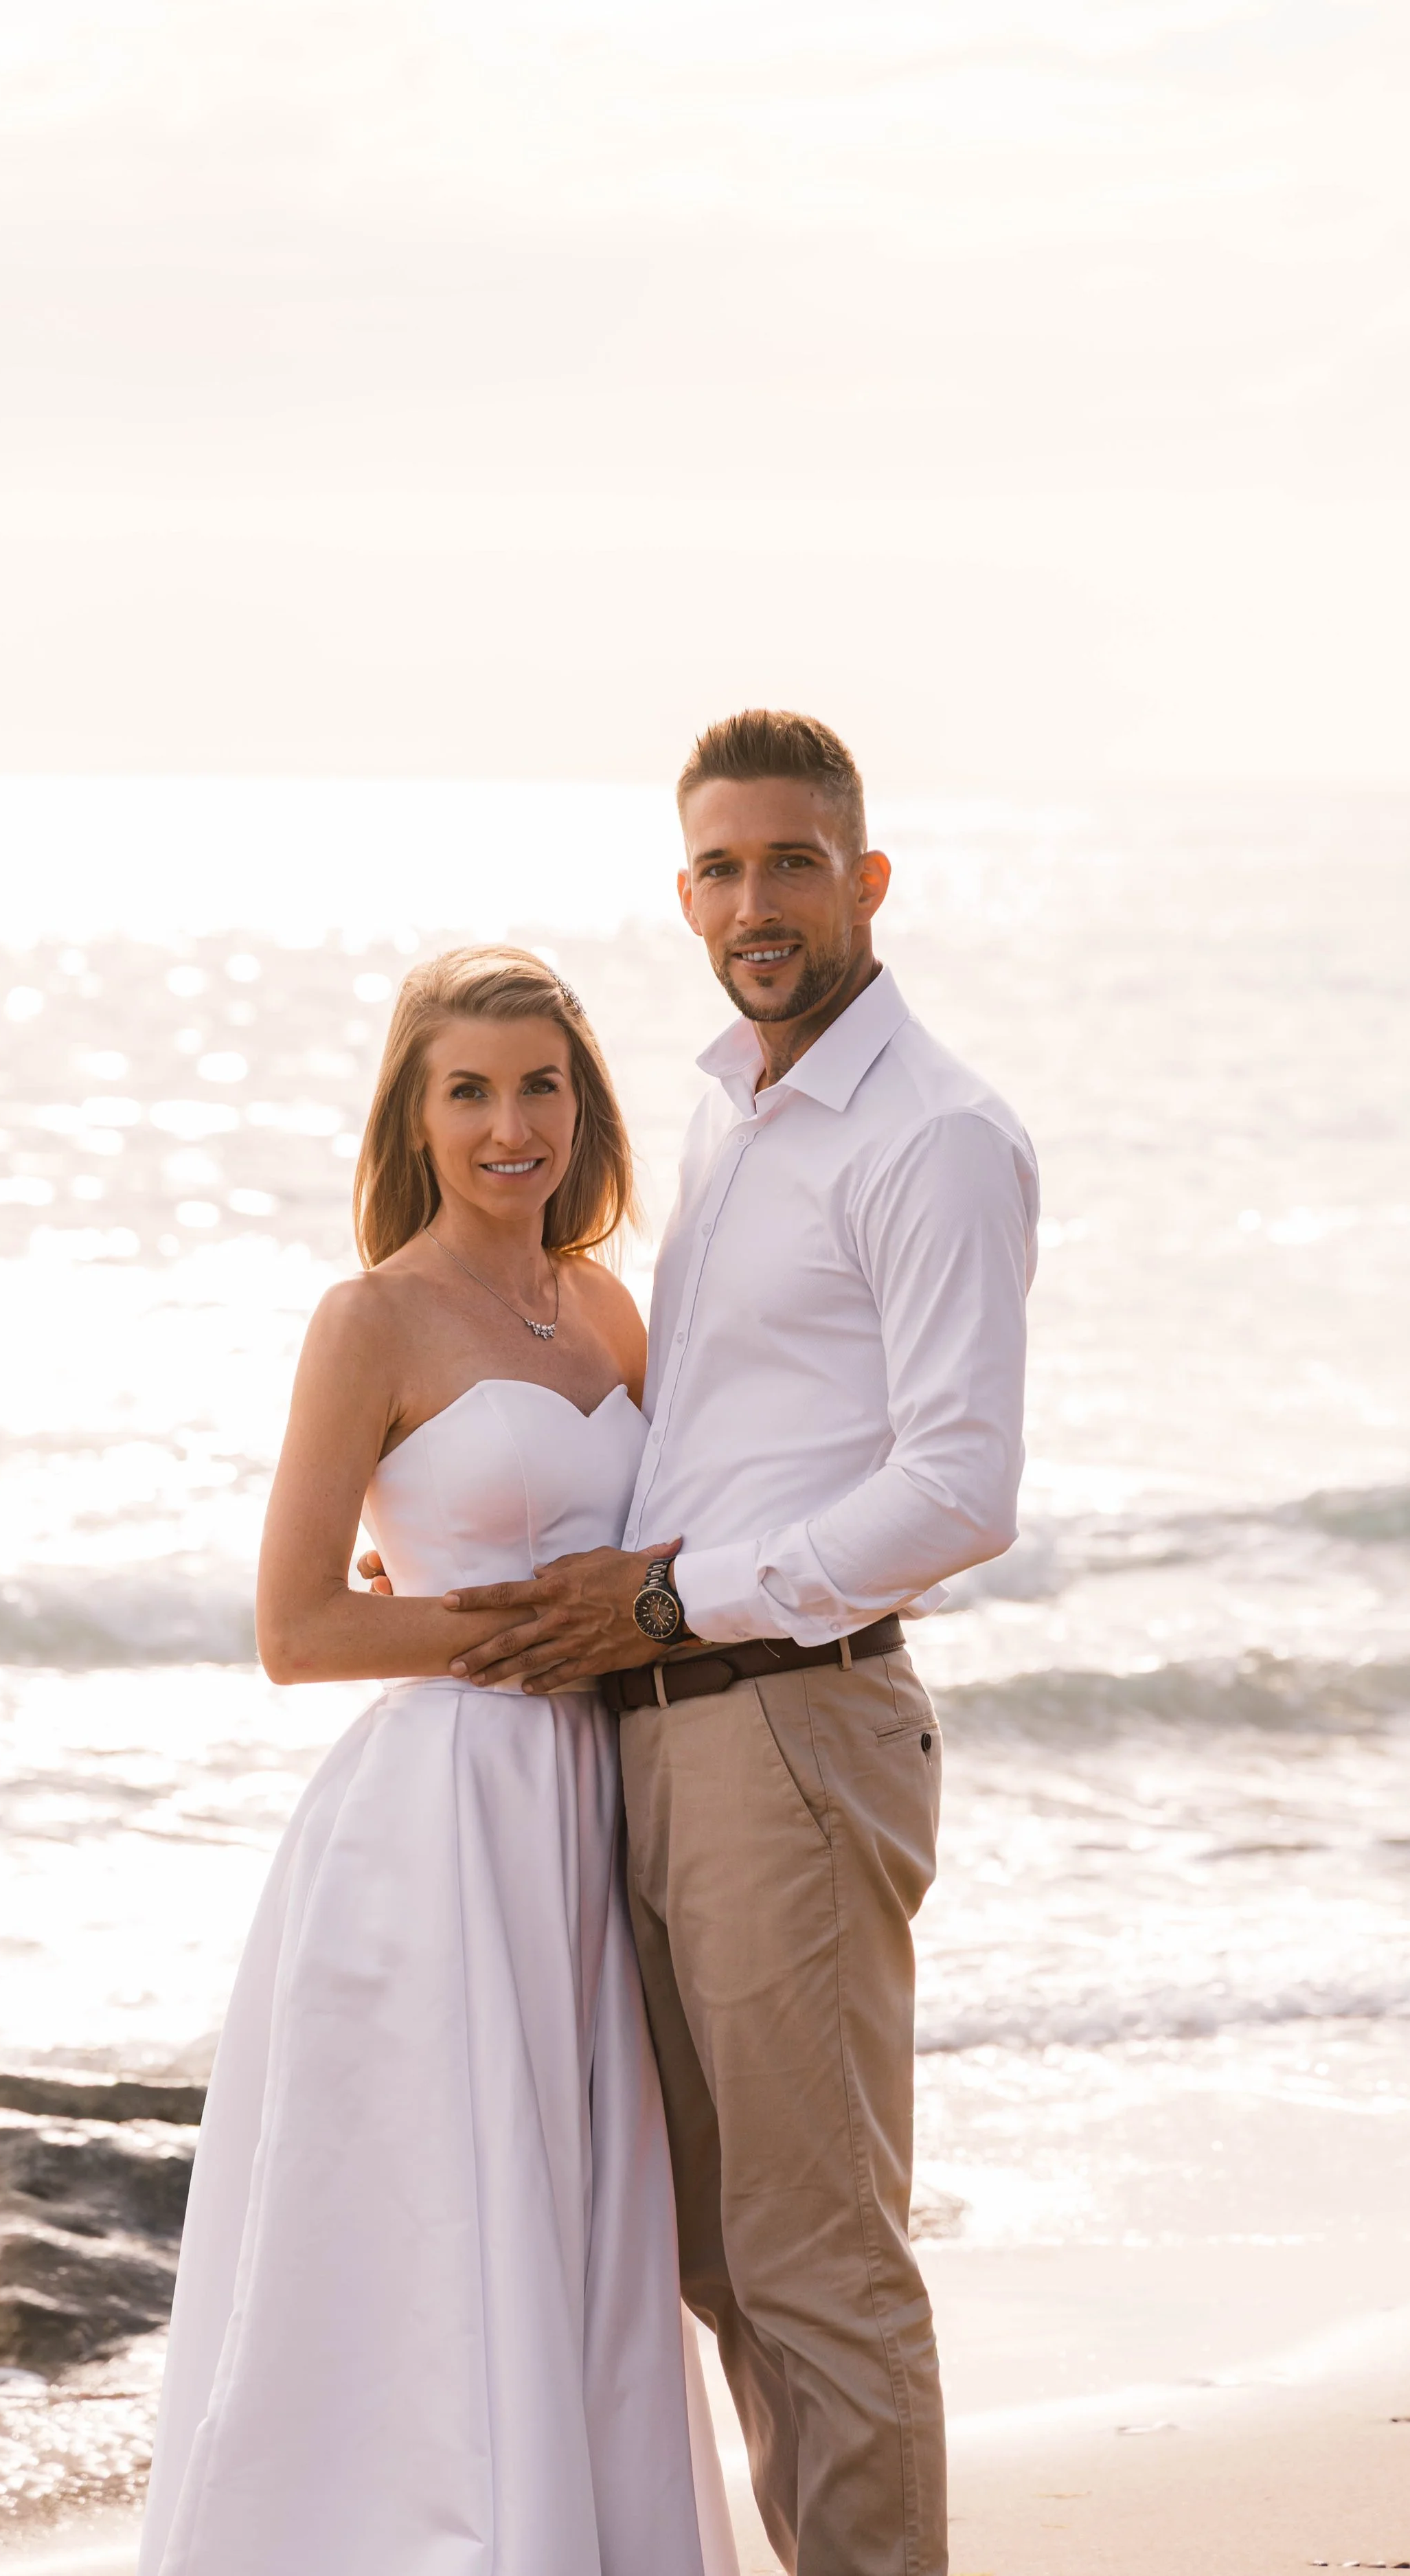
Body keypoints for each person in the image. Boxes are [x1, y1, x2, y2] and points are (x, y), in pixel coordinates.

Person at [440, 711, 1040, 2576]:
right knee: (712, 2251)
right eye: (720, 867)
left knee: (815, 2259)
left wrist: (665, 1597)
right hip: (665, 1729)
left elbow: (959, 1487)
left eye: (791, 862)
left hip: (788, 1723)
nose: (754, 900)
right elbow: (716, 1434)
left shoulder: (933, 1138)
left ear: (866, 880)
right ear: (684, 894)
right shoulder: (729, 1108)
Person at [137, 946, 737, 2576]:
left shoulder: (608, 1308)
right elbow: (296, 1628)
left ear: (582, 1106)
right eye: (466, 1091)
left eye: (539, 1086)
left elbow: (668, 1553)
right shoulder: (370, 1319)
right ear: (413, 1117)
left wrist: (628, 1626)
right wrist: (520, 1631)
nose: (507, 1126)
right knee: (430, 2230)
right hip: (440, 1820)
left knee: (584, 2220)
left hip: (594, 1811)